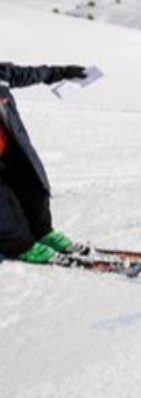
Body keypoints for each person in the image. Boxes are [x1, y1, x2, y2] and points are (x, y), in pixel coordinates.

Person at [1, 62, 88, 264]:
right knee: (5, 207)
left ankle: (42, 232)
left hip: (8, 150)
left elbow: (26, 74)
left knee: (34, 187)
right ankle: (20, 245)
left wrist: (60, 72)